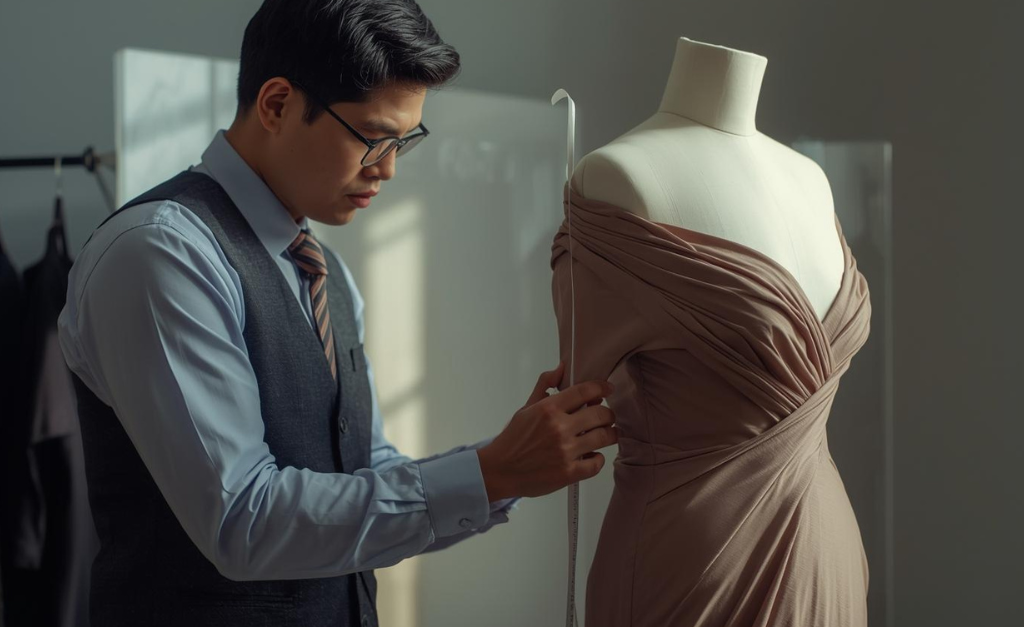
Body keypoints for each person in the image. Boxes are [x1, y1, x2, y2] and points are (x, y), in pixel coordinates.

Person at [56, 1, 618, 626]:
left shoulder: (327, 273)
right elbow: (244, 518)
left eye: (406, 140)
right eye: (374, 138)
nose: (389, 168)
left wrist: (511, 465)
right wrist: (490, 472)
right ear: (276, 105)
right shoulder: (161, 253)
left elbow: (365, 472)